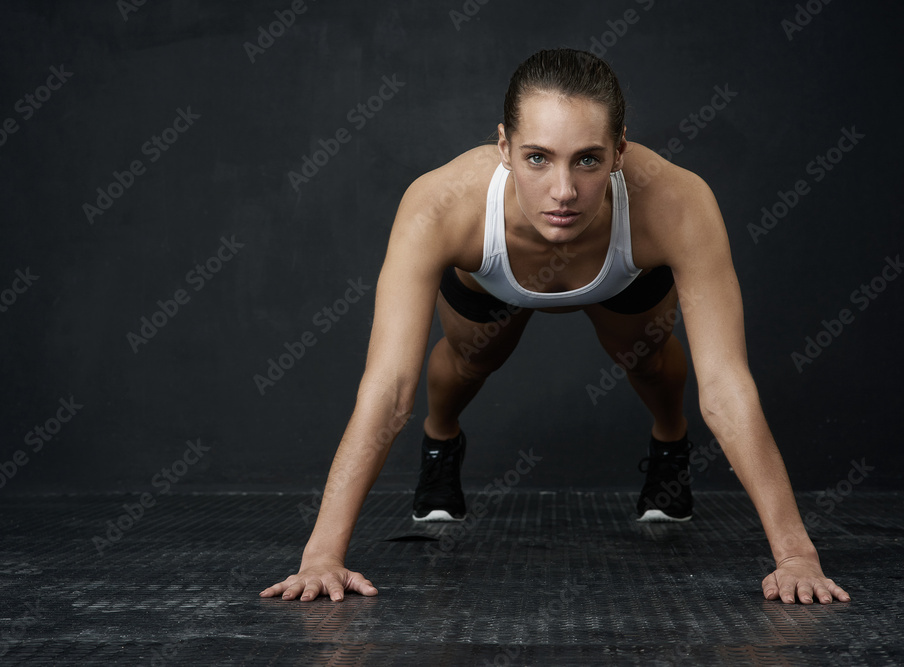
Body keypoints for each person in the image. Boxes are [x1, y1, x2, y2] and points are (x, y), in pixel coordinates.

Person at [260, 48, 850, 605]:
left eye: (587, 159)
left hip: (620, 274)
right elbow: (387, 387)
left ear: (620, 151)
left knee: (647, 359)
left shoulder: (676, 201)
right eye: (537, 158)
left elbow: (725, 384)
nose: (563, 192)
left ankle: (670, 443)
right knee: (469, 361)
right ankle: (442, 443)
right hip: (491, 279)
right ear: (504, 147)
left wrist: (796, 556)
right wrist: (321, 556)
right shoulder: (441, 204)